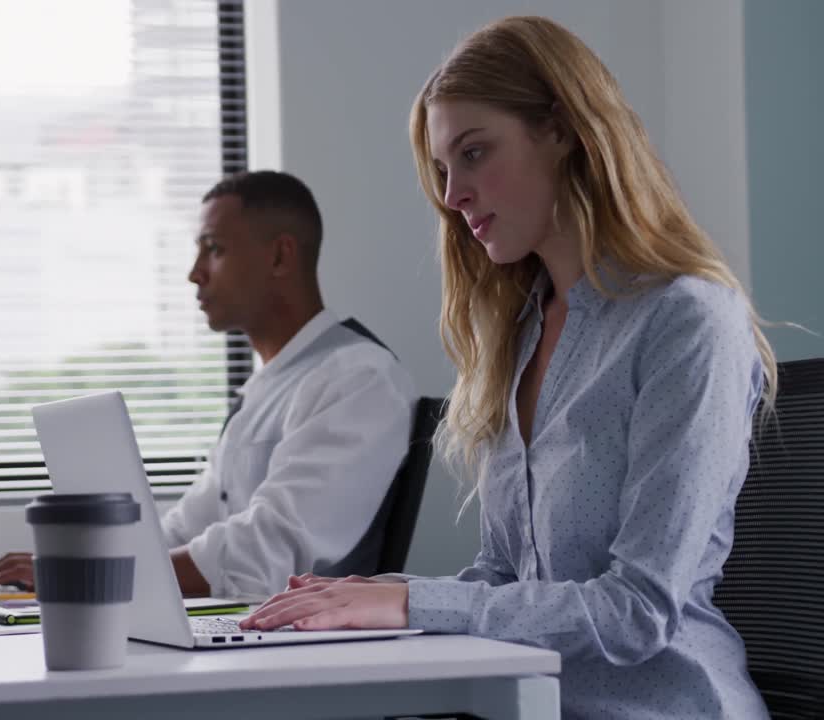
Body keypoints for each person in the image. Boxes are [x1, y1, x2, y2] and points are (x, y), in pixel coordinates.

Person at [240, 17, 775, 720]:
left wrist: (404, 601)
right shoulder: (517, 337)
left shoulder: (688, 321)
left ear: (561, 129)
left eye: (474, 153)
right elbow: (501, 579)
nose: (453, 195)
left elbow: (637, 610)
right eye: (441, 170)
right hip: (527, 704)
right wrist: (355, 601)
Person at [0, 170, 417, 599]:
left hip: (298, 649)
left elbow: (267, 549)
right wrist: (74, 560)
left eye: (214, 249)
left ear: (281, 256)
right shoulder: (268, 387)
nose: (194, 272)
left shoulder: (358, 378)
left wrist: (88, 572)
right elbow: (185, 529)